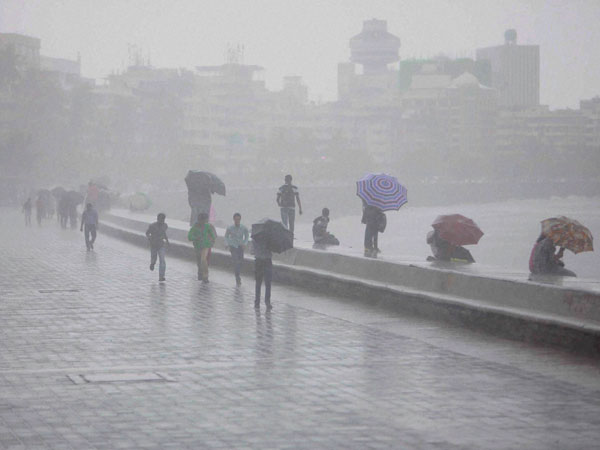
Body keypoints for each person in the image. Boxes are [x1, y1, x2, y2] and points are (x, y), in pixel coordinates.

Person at [188, 213, 217, 283]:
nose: (203, 222)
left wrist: (212, 240)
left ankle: (205, 276)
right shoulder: (195, 227)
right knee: (199, 261)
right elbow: (189, 237)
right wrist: (196, 238)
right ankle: (200, 272)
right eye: (202, 220)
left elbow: (213, 235)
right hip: (197, 246)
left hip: (205, 246)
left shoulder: (207, 226)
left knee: (203, 260)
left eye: (205, 220)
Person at [225, 212, 249, 286]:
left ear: (240, 219)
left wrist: (245, 243)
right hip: (233, 246)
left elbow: (247, 236)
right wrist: (227, 244)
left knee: (241, 261)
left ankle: (237, 272)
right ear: (233, 219)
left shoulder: (243, 228)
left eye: (238, 219)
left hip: (240, 246)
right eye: (236, 219)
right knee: (236, 261)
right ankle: (237, 277)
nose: (237, 221)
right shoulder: (230, 228)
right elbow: (226, 236)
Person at [146, 213, 169, 282]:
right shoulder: (152, 226)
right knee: (154, 257)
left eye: (163, 219)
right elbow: (147, 233)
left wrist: (167, 241)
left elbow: (164, 233)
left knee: (162, 260)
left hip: (161, 245)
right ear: (157, 219)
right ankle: (152, 263)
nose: (162, 221)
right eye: (161, 219)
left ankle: (161, 276)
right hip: (153, 245)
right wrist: (149, 238)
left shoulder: (165, 226)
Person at [253, 236, 272, 310]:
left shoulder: (255, 238)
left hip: (259, 261)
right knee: (268, 283)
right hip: (267, 261)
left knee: (258, 283)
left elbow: (252, 251)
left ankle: (257, 302)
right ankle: (267, 301)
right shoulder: (270, 239)